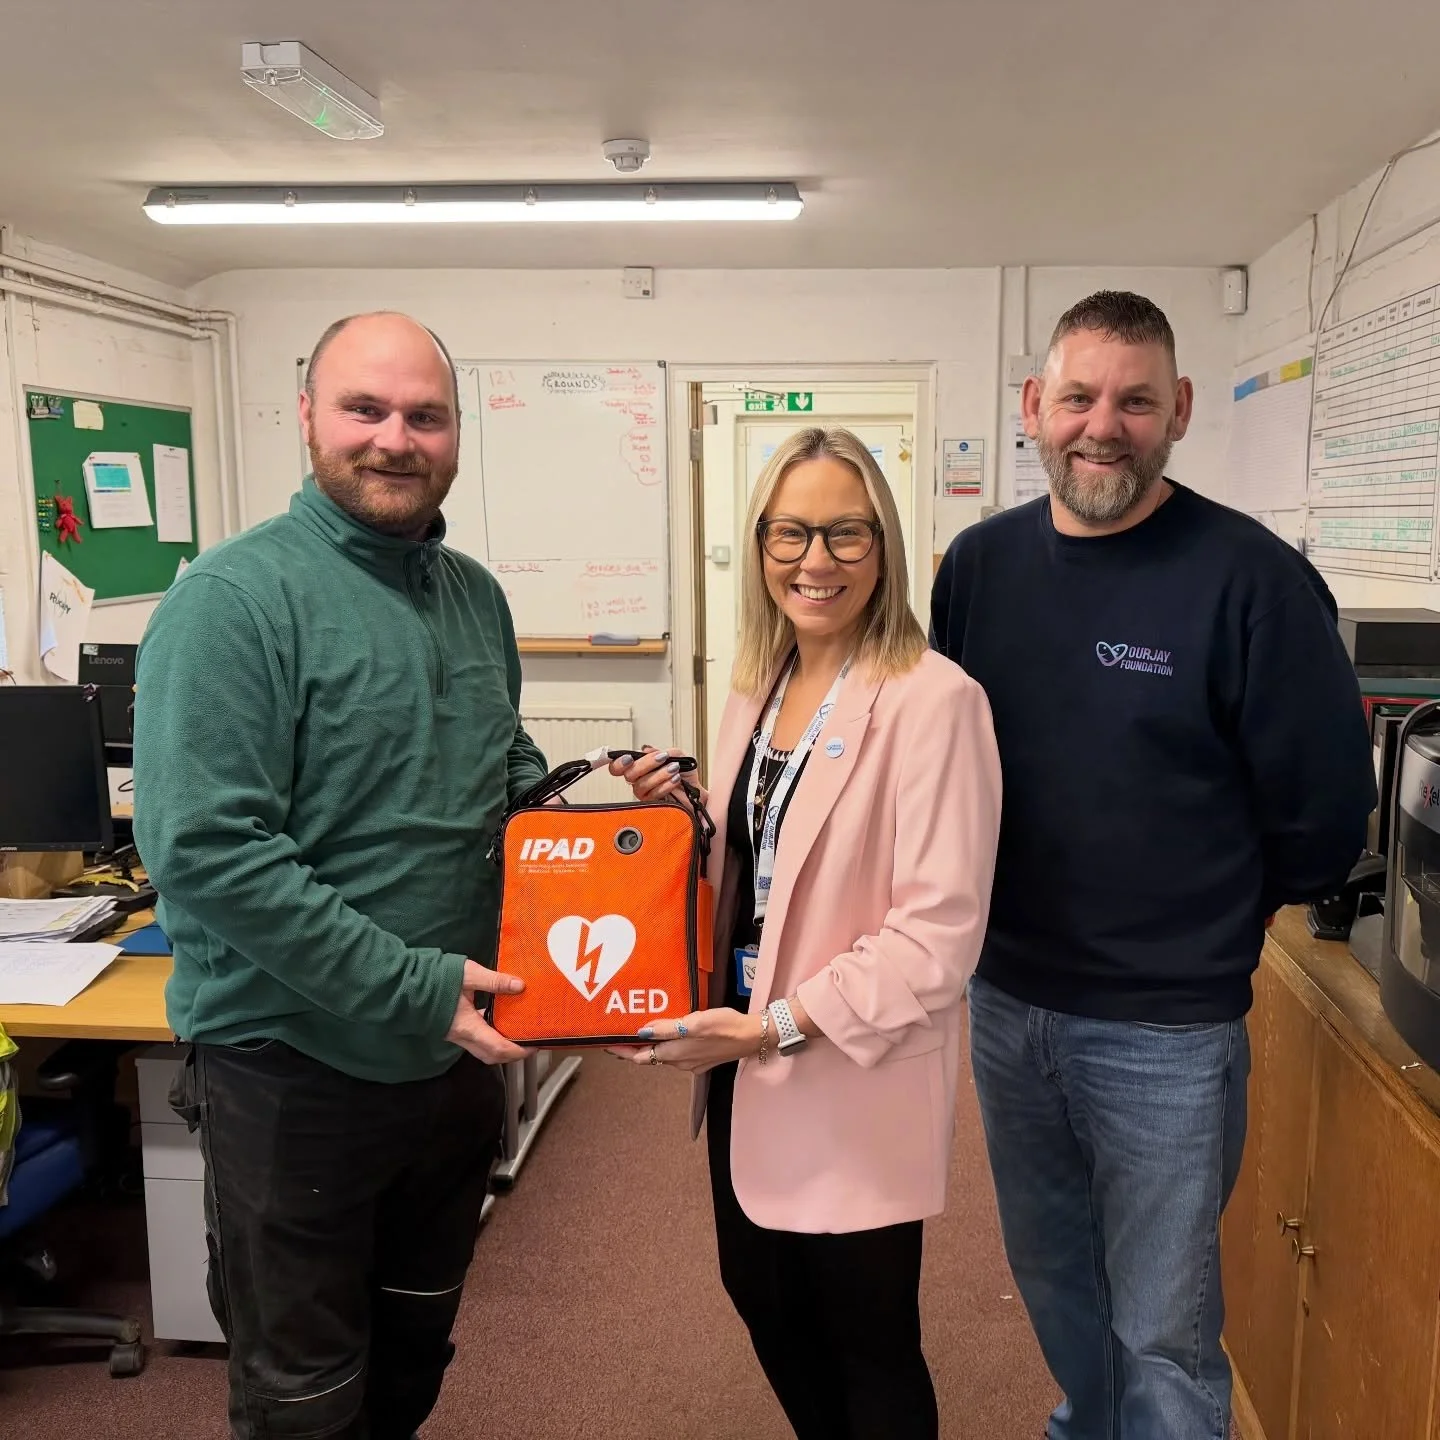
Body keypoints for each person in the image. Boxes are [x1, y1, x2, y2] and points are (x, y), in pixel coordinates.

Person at [930, 290, 1376, 1440]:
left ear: (1177, 410)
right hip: (1007, 1001)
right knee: (1056, 1282)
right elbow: (941, 767)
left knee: (1165, 1328)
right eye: (1078, 395)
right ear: (1035, 407)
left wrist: (1195, 922)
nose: (1103, 424)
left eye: (1135, 400)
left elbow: (1325, 818)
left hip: (1164, 1031)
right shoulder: (977, 570)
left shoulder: (1253, 582)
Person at [133, 311, 541, 1440]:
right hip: (291, 1076)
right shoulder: (233, 602)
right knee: (304, 1400)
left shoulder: (473, 595)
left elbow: (499, 767)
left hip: (448, 1067)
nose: (395, 439)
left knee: (413, 1355)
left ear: (457, 434)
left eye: (425, 415)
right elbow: (207, 854)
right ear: (306, 415)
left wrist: (596, 818)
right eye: (365, 409)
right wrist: (416, 987)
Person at [610, 426, 1002, 1439]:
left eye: (844, 534)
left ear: (885, 547)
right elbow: (770, 862)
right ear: (760, 545)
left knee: (867, 1339)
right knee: (765, 1300)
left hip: (845, 1064)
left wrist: (775, 1025)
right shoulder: (760, 682)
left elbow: (938, 936)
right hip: (744, 1058)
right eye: (789, 534)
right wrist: (686, 810)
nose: (814, 562)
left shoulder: (936, 702)